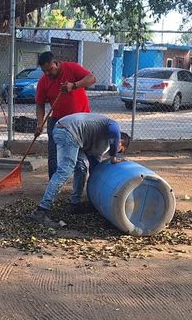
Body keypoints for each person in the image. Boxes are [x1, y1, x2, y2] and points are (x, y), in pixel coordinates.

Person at [31, 113, 130, 227]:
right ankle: (41, 210)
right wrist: (113, 157)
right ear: (120, 142)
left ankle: (74, 204)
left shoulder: (100, 142)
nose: (117, 152)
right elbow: (114, 131)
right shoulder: (112, 126)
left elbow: (95, 167)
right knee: (65, 171)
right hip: (68, 131)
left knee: (82, 167)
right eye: (120, 150)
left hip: (69, 131)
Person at [34, 51, 96, 180]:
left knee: (83, 153)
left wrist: (74, 85)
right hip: (59, 121)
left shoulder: (71, 68)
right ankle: (54, 184)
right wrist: (40, 123)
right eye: (44, 71)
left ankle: (89, 183)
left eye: (49, 70)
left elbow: (92, 78)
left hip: (81, 119)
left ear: (55, 63)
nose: (47, 74)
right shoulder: (43, 81)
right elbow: (40, 104)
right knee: (54, 154)